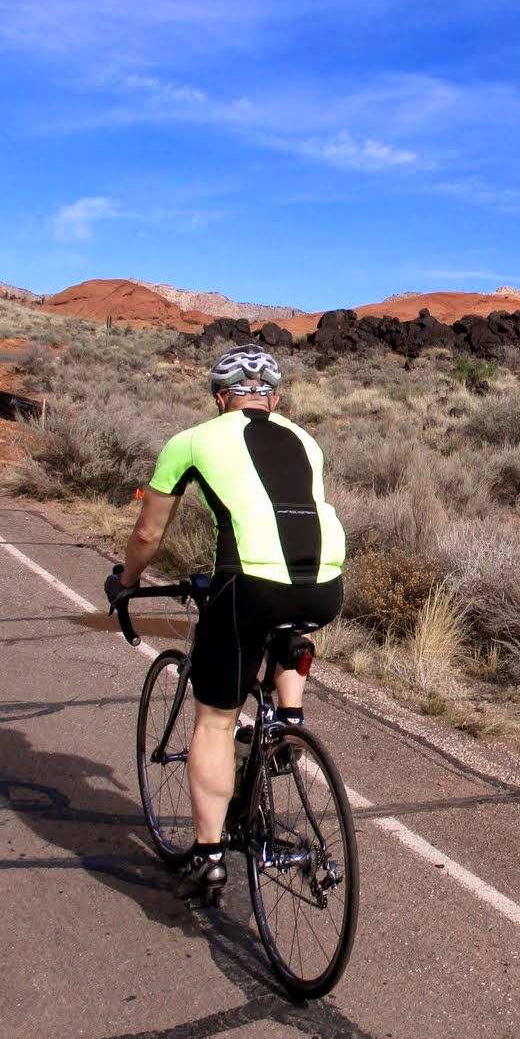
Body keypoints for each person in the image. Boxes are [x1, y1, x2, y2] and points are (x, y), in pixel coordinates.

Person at [105, 344, 346, 900]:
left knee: (214, 720)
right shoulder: (305, 440)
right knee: (292, 615)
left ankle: (208, 856)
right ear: (275, 399)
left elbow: (146, 534)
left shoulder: (190, 441)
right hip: (325, 585)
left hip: (248, 587)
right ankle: (288, 719)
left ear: (220, 398)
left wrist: (127, 583)